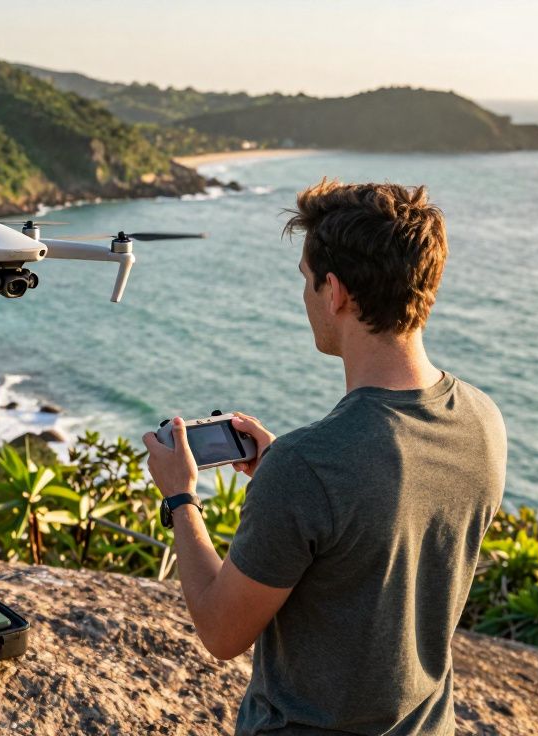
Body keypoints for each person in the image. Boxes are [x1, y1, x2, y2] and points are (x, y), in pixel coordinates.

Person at [143, 179, 507, 735]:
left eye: (306, 279)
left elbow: (220, 631)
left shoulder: (307, 467)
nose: (305, 296)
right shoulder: (482, 419)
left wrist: (180, 497)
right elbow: (383, 540)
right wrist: (292, 484)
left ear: (334, 292)